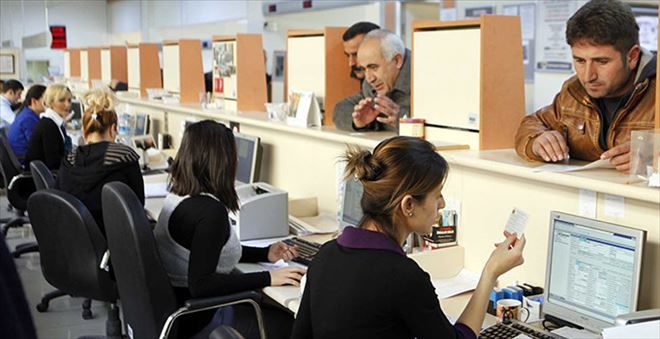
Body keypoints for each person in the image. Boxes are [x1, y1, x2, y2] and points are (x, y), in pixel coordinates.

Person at [292, 136, 526, 339]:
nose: (442, 204)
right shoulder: (402, 276)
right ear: (408, 205)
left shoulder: (326, 255)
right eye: (438, 196)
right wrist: (490, 273)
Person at [154, 120, 305, 338]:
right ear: (222, 161)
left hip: (175, 309)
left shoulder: (179, 194)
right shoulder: (210, 212)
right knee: (293, 325)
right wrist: (268, 278)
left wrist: (265, 253)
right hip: (200, 317)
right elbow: (202, 285)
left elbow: (206, 250)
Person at [515, 0, 656, 172]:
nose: (588, 76)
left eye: (602, 61)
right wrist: (537, 140)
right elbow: (532, 123)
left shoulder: (656, 90)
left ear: (632, 56)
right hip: (585, 196)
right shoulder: (573, 91)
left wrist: (655, 155)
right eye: (580, 60)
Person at [56, 89, 144, 235]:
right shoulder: (125, 156)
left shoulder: (70, 159)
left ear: (84, 131)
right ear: (114, 129)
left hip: (71, 240)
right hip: (114, 239)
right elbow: (138, 206)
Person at [334, 29, 410, 132]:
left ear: (397, 61)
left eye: (373, 67)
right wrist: (359, 122)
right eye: (364, 69)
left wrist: (404, 120)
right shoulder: (372, 84)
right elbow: (340, 109)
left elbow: (436, 124)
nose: (369, 79)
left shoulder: (425, 77)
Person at [333, 21, 380, 130]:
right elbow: (340, 109)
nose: (351, 63)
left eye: (356, 54)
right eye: (348, 55)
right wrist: (359, 122)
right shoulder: (368, 85)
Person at [25, 84, 73, 170]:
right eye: (62, 100)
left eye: (69, 100)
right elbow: (54, 164)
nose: (67, 105)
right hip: (41, 180)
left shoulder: (53, 122)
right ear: (50, 103)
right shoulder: (48, 127)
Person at [7, 85, 47, 166]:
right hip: (25, 161)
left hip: (22, 157)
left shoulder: (27, 113)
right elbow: (37, 146)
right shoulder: (29, 119)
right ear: (34, 101)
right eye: (46, 101)